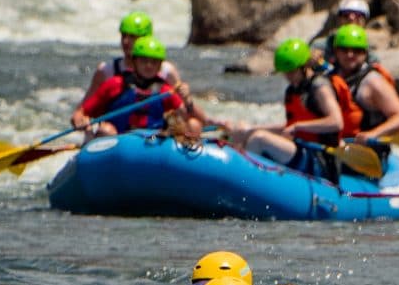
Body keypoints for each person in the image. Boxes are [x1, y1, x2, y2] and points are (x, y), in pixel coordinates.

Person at [224, 39, 361, 177]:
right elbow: (289, 126)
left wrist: (298, 127)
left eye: (291, 72)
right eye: (285, 72)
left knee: (259, 139)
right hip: (302, 148)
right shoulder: (293, 89)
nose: (288, 76)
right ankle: (231, 175)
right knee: (243, 129)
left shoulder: (320, 87)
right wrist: (250, 130)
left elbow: (336, 122)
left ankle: (242, 181)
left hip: (321, 159)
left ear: (303, 67)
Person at [71, 35, 203, 136]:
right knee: (106, 130)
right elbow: (80, 113)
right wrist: (81, 120)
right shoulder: (115, 84)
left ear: (159, 66)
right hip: (118, 143)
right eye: (144, 61)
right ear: (134, 62)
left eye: (154, 62)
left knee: (194, 125)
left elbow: (190, 118)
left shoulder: (165, 91)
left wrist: (188, 101)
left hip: (153, 142)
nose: (148, 65)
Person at [88, 11, 193, 107]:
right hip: (116, 126)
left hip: (155, 125)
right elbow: (83, 110)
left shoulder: (167, 71)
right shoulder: (106, 70)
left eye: (133, 37)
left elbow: (184, 109)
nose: (126, 42)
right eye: (124, 36)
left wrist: (187, 98)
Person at [328, 24, 399, 142]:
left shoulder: (373, 82)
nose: (350, 55)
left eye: (356, 50)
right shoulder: (329, 77)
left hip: (366, 152)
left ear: (365, 53)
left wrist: (374, 134)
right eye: (344, 49)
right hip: (337, 148)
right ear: (336, 52)